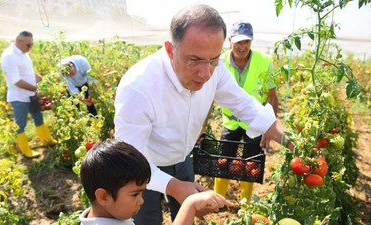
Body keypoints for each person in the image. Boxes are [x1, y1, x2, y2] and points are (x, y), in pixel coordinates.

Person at [114, 4, 294, 225]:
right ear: (171, 50)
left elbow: (242, 103)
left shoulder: (214, 70)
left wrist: (287, 138)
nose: (206, 73)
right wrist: (175, 187)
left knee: (186, 215)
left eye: (214, 59)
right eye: (195, 60)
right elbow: (131, 158)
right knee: (147, 219)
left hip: (182, 160)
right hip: (145, 167)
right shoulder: (138, 87)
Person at [79, 139, 234, 225]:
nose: (141, 201)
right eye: (135, 194)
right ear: (103, 197)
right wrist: (190, 204)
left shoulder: (103, 217)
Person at [213, 21, 279, 204]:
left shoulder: (264, 62)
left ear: (251, 42)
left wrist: (268, 128)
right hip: (230, 121)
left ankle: (246, 205)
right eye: (238, 42)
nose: (242, 47)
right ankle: (217, 201)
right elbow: (209, 96)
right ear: (229, 41)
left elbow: (272, 97)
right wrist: (200, 126)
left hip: (255, 121)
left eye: (246, 42)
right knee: (223, 162)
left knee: (250, 165)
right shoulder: (219, 61)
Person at [0, 31, 57, 158]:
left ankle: (47, 141)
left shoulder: (23, 53)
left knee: (38, 116)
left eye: (32, 44)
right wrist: (35, 89)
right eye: (28, 45)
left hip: (30, 94)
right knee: (20, 124)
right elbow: (16, 81)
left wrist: (43, 80)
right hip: (19, 96)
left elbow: (29, 72)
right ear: (19, 41)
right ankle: (26, 150)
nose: (30, 47)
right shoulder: (9, 56)